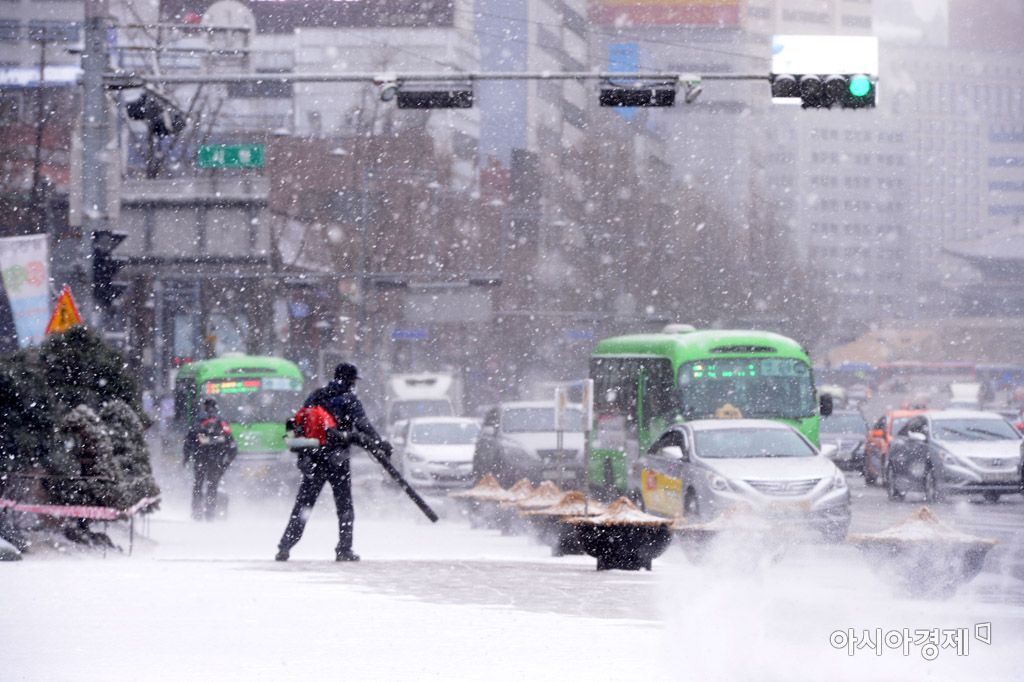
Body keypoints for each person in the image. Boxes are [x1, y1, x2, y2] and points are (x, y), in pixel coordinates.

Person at [275, 362, 391, 562]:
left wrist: (303, 455)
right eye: (354, 380)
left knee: (304, 505)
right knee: (344, 506)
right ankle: (344, 549)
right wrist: (379, 443)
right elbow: (363, 425)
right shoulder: (349, 399)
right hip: (338, 459)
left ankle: (285, 545)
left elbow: (299, 424)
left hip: (313, 458)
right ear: (350, 380)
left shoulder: (316, 396)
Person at [183, 398, 237, 520]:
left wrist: (186, 456)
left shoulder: (199, 419)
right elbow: (230, 441)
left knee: (198, 484)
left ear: (205, 406)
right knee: (212, 486)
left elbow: (190, 438)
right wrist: (228, 460)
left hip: (200, 458)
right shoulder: (221, 420)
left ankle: (196, 511)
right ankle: (210, 512)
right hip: (217, 459)